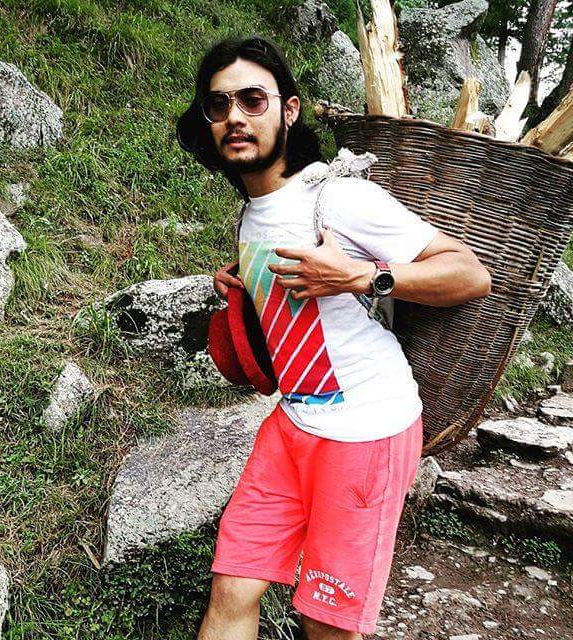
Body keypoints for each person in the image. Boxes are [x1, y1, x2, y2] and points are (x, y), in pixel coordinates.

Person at [175, 33, 491, 640]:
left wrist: (363, 277)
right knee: (233, 586)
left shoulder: (340, 198)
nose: (235, 117)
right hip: (293, 423)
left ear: (289, 111)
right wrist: (241, 282)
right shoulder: (251, 211)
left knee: (328, 623)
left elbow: (470, 272)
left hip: (367, 433)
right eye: (219, 105)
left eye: (253, 100)